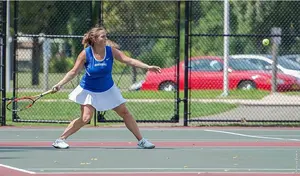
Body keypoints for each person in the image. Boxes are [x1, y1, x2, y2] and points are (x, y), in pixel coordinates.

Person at [51, 25, 161, 149]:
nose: (106, 38)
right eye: (103, 36)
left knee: (125, 112)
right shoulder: (86, 53)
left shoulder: (111, 51)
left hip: (108, 89)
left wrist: (147, 67)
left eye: (106, 36)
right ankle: (60, 139)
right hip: (89, 90)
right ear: (95, 39)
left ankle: (141, 141)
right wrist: (59, 84)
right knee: (86, 118)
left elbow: (128, 60)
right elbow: (73, 72)